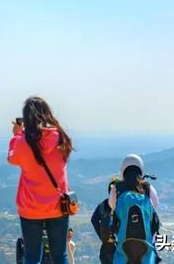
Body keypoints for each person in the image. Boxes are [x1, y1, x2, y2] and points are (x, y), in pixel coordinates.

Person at [8, 96, 75, 264]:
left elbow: (12, 158)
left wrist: (17, 135)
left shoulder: (24, 143)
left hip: (30, 208)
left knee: (32, 257)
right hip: (58, 207)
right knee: (60, 256)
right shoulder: (61, 138)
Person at [110, 154, 160, 264]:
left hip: (124, 250)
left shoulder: (116, 188)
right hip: (146, 250)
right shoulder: (148, 188)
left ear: (123, 170)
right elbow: (155, 208)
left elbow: (112, 206)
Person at [91, 179, 118, 264]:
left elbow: (94, 220)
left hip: (107, 246)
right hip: (120, 246)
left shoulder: (102, 205)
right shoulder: (124, 205)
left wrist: (103, 236)